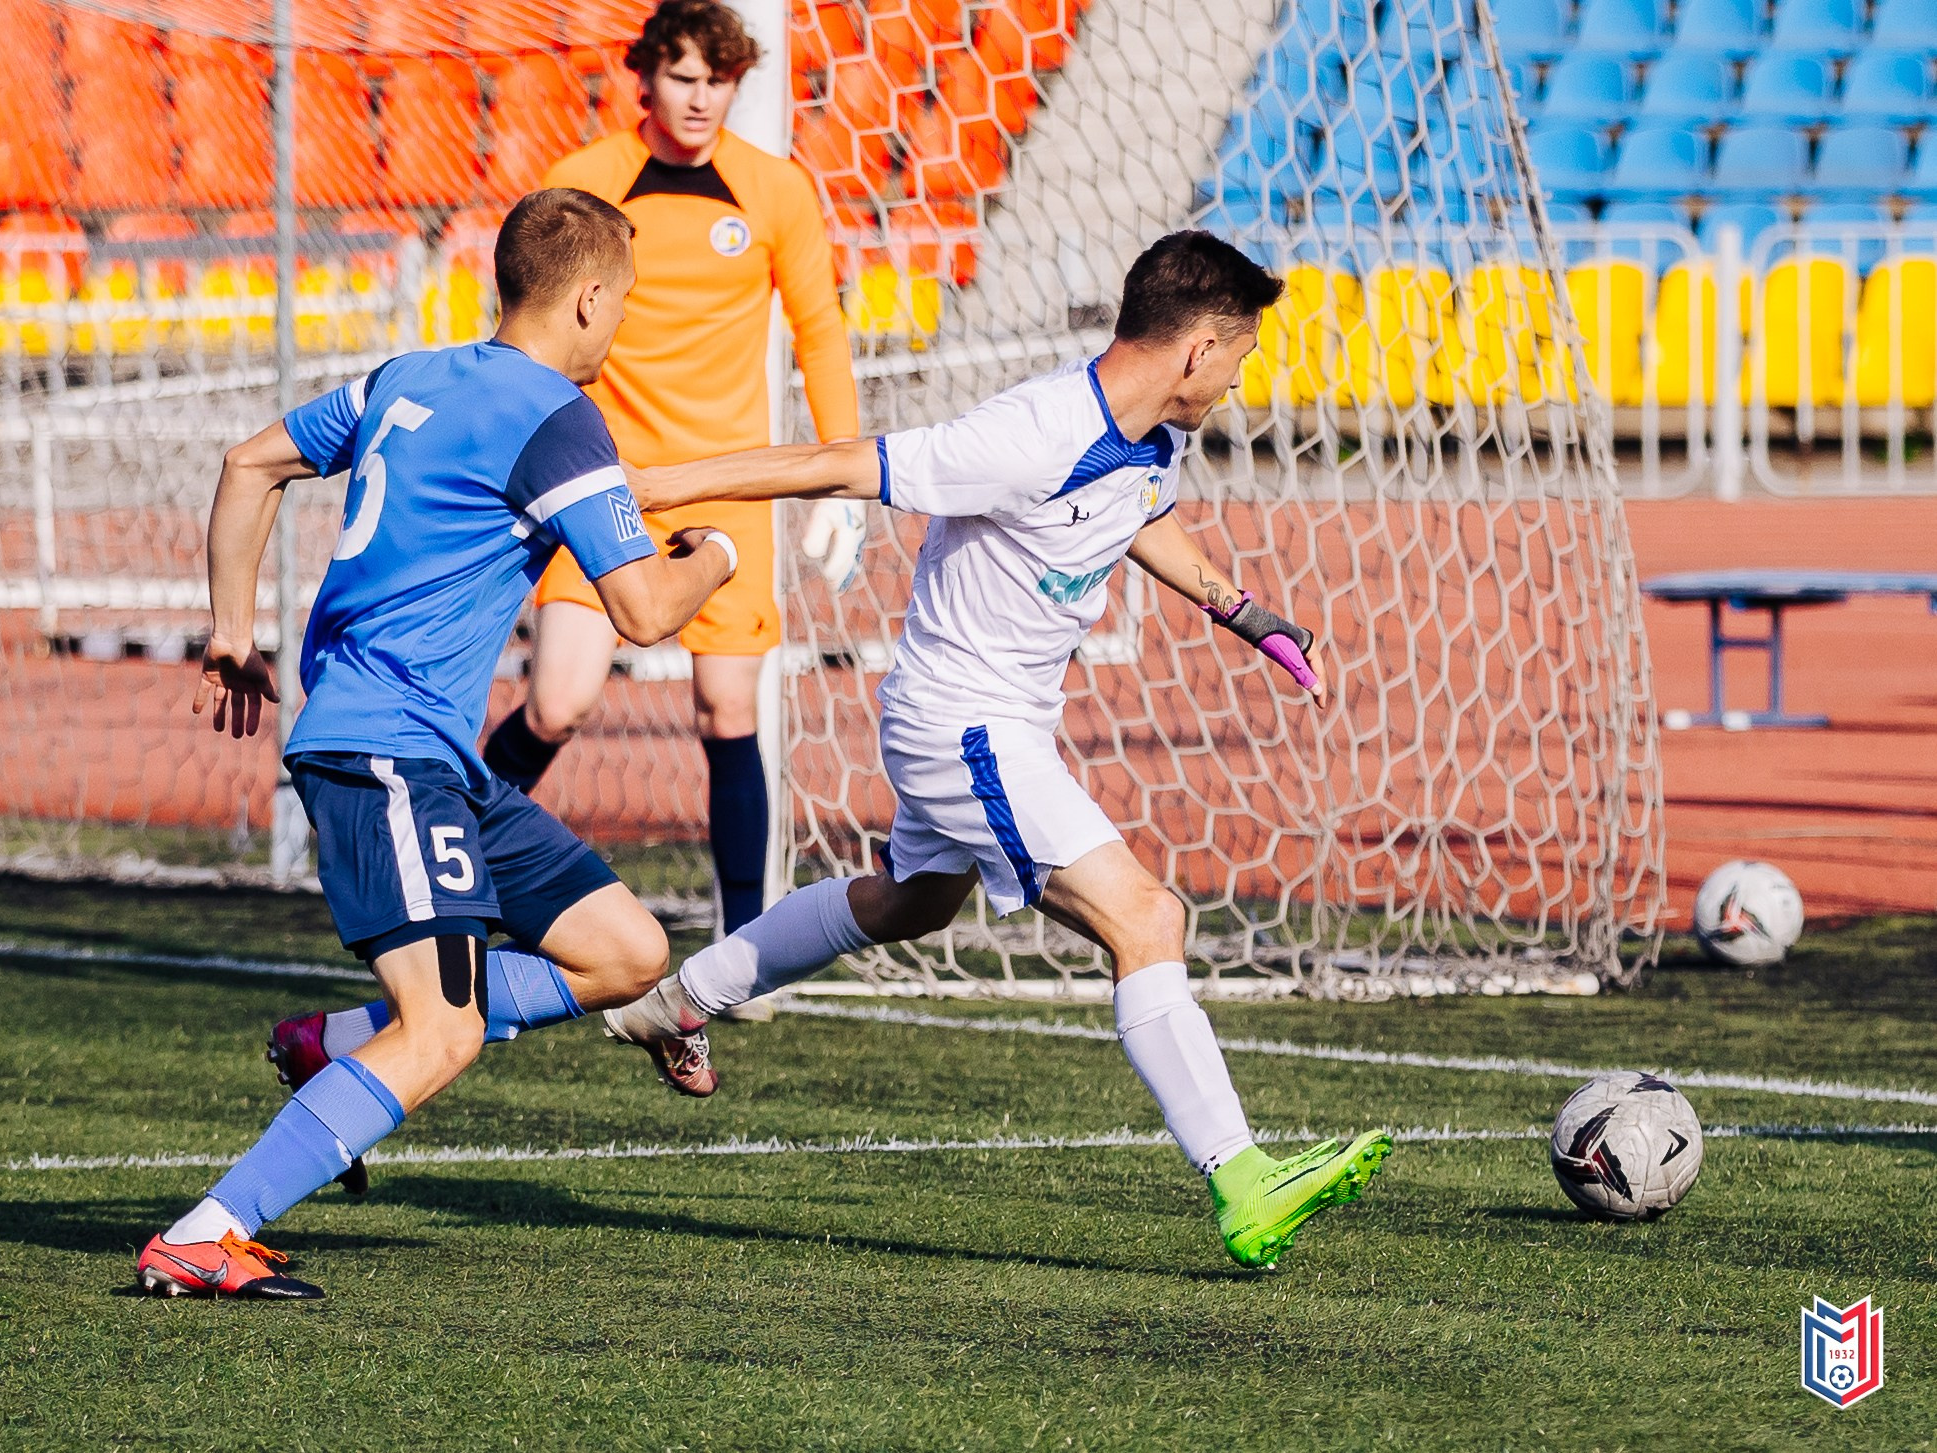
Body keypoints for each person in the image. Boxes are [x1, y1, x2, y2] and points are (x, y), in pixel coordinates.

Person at [603, 231, 1393, 1270]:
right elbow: (837, 465)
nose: (1238, 382)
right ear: (1198, 346)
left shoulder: (1152, 428)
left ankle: (677, 1000)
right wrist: (651, 490)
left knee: (907, 903)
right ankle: (1243, 1179)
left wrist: (1245, 614)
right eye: (1239, 359)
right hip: (962, 722)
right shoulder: (1030, 431)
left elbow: (1137, 515)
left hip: (990, 719)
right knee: (1148, 915)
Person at [134, 189, 736, 1300]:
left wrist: (231, 630)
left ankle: (334, 1045)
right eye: (623, 308)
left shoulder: (405, 377)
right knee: (447, 1028)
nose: (619, 330)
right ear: (592, 298)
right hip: (384, 754)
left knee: (626, 953)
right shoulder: (555, 416)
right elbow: (647, 611)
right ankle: (206, 1230)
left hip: (428, 762)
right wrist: (717, 556)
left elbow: (246, 461)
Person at [480, 0, 862, 942]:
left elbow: (820, 333)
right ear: (645, 77)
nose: (700, 99)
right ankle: (455, 873)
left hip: (729, 488)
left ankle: (747, 949)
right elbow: (526, 327)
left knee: (729, 710)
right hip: (593, 482)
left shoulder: (775, 192)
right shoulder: (585, 182)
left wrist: (840, 476)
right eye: (683, 78)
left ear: (739, 85)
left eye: (719, 81)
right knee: (559, 702)